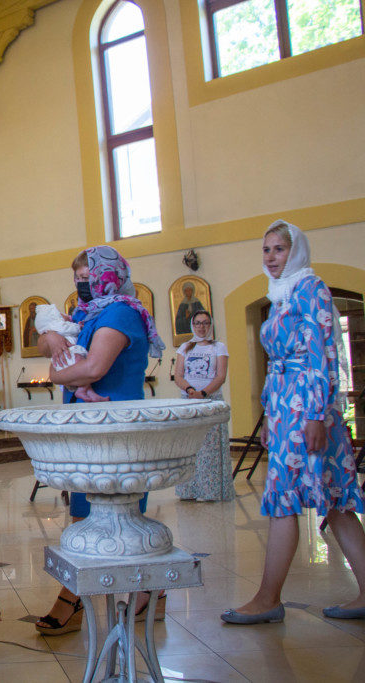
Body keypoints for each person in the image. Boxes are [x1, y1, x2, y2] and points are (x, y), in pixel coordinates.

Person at [221, 220, 365, 625]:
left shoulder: (310, 288)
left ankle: (268, 599)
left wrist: (316, 415)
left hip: (308, 409)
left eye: (279, 249)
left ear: (295, 251)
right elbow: (275, 363)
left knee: (287, 498)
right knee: (334, 501)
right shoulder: (280, 294)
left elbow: (322, 354)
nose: (271, 257)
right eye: (266, 250)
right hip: (287, 408)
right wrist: (270, 414)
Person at [35, 246, 166, 635]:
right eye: (77, 278)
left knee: (122, 519)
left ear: (109, 276)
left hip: (116, 429)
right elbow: (47, 342)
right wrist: (52, 338)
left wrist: (57, 373)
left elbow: (93, 367)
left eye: (88, 277)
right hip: (87, 429)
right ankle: (93, 594)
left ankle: (131, 593)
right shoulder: (87, 312)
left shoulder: (121, 312)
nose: (82, 284)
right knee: (83, 516)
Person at [174, 311, 236, 501]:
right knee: (190, 446)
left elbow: (220, 376)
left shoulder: (219, 347)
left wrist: (204, 393)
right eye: (198, 323)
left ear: (211, 325)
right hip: (189, 401)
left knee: (210, 447)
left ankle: (210, 491)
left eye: (205, 323)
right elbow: (178, 375)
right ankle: (189, 491)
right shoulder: (185, 347)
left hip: (210, 401)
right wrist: (190, 390)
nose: (201, 327)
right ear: (192, 325)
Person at [34, 302, 106, 403]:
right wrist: (79, 327)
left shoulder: (115, 310)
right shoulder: (57, 326)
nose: (67, 316)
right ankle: (84, 390)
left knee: (81, 368)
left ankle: (87, 391)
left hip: (67, 358)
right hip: (68, 354)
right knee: (80, 363)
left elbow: (93, 371)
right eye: (62, 315)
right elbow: (69, 329)